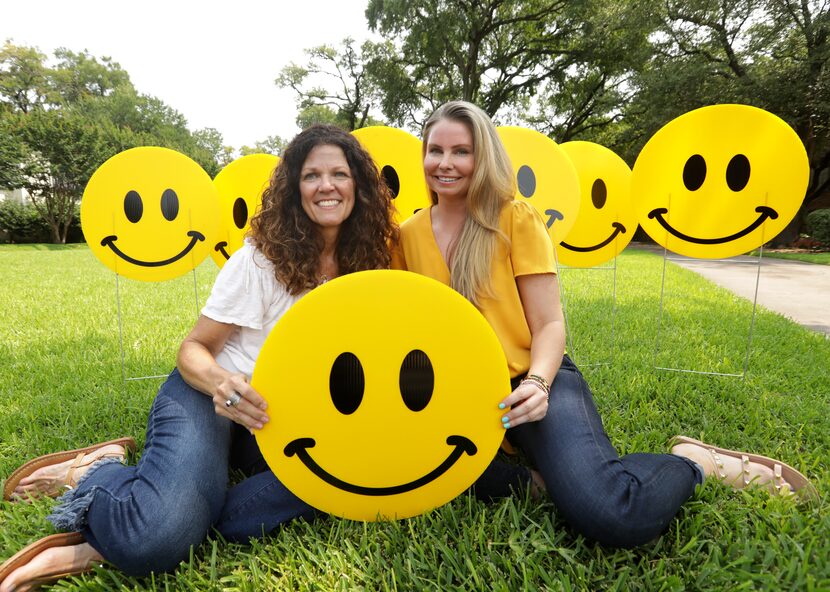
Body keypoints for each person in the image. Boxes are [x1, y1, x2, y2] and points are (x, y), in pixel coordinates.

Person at [391, 100, 815, 547]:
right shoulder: (408, 236)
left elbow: (550, 323)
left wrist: (537, 384)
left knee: (613, 514)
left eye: (462, 151)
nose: (446, 163)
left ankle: (694, 463)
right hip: (459, 397)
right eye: (435, 150)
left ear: (485, 158)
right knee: (416, 472)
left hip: (534, 379)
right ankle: (541, 483)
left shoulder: (514, 218)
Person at [0, 124, 398, 590]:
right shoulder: (262, 260)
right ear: (295, 189)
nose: (326, 186)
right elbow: (194, 349)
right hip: (210, 396)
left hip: (280, 420)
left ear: (361, 186)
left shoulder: (374, 262)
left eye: (339, 174)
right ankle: (97, 475)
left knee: (301, 493)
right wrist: (221, 384)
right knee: (158, 539)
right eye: (312, 176)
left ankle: (147, 514)